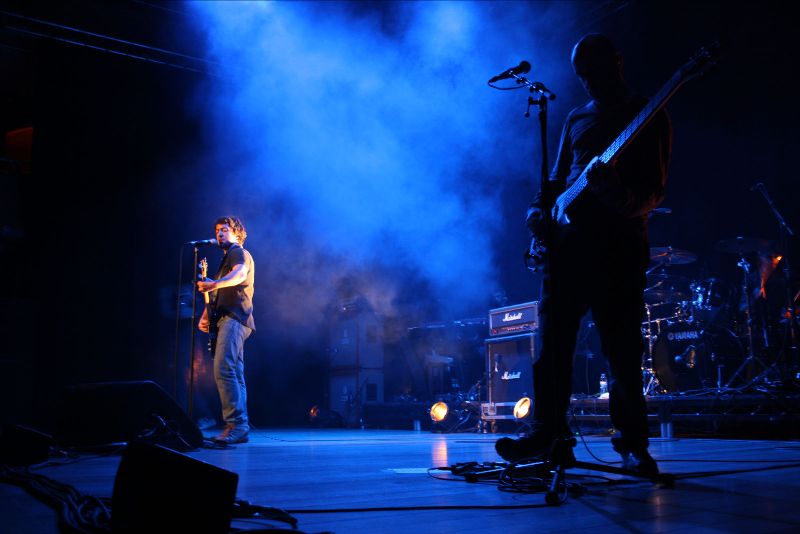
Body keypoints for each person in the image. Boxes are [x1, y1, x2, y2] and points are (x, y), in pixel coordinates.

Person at [495, 34, 672, 476]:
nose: (589, 81)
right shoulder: (576, 117)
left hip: (618, 250)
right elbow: (556, 181)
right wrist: (537, 211)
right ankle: (549, 434)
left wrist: (616, 195)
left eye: (595, 70)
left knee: (622, 352)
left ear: (618, 62)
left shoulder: (646, 114)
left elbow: (653, 192)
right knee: (552, 349)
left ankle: (633, 443)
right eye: (582, 74)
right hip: (568, 252)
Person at [198, 216, 256, 444]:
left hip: (235, 317)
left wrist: (214, 283)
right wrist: (206, 316)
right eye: (217, 230)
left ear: (237, 234)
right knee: (235, 373)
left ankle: (236, 425)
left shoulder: (238, 252)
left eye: (224, 229)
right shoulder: (226, 261)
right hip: (233, 318)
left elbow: (240, 275)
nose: (219, 233)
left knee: (223, 368)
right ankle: (240, 426)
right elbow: (219, 294)